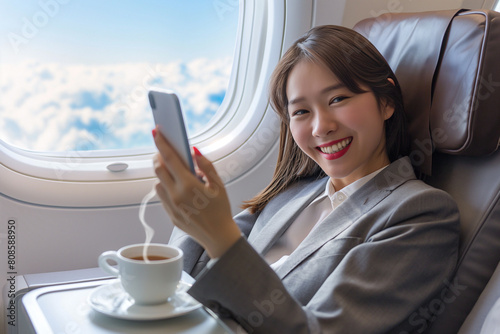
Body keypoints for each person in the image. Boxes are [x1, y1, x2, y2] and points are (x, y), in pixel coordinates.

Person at [152, 25, 459, 333]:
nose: (320, 127)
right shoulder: (292, 195)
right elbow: (200, 267)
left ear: (386, 101)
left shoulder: (421, 213)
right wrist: (190, 205)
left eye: (338, 98)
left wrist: (220, 236)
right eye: (300, 112)